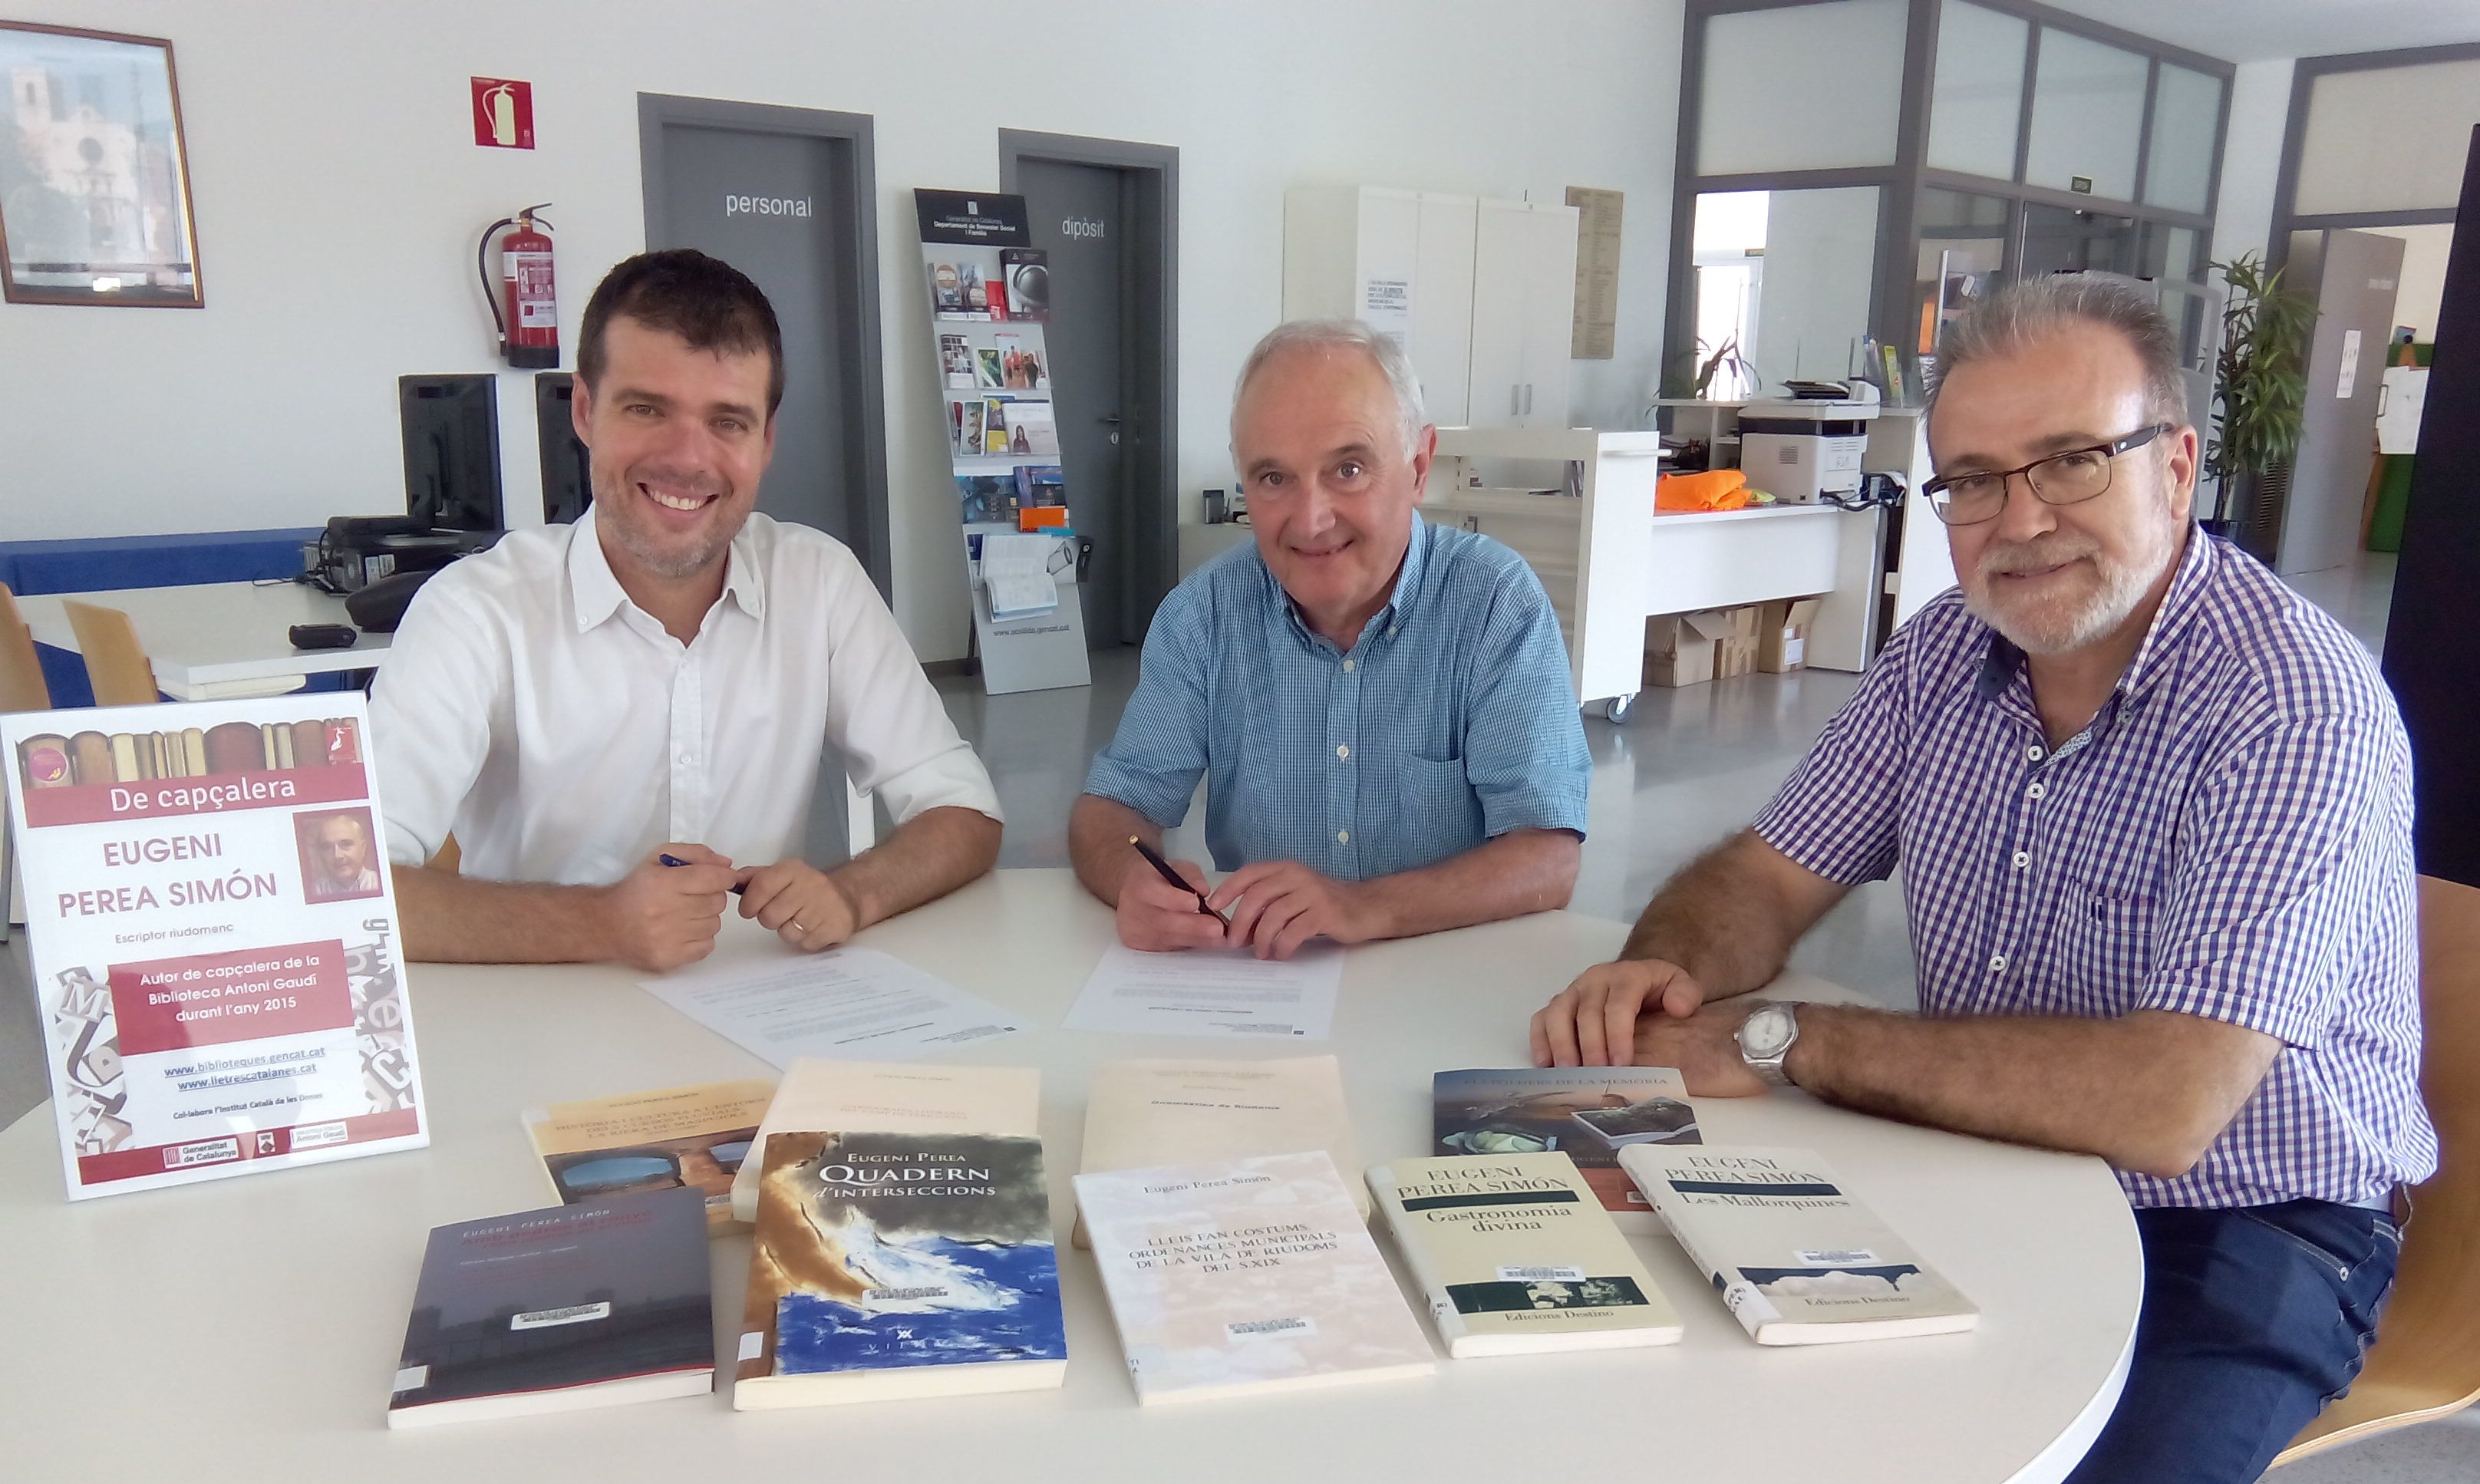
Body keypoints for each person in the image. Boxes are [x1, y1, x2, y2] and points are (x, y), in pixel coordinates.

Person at [1529, 275, 2433, 1484]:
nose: (2018, 521)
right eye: (1970, 481)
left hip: (2261, 1215)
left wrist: (1780, 1040)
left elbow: (2170, 1102)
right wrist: (1668, 962)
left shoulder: (2295, 709)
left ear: (2180, 461)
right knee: (1723, 1373)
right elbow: (1770, 869)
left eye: (2070, 461)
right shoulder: (1946, 655)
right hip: (1990, 1161)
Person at [371, 251, 1000, 969]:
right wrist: (601, 924)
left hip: (759, 1010)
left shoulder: (817, 580)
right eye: (647, 409)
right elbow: (348, 895)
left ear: (765, 441)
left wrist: (853, 894)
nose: (688, 459)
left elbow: (965, 812)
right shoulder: (475, 612)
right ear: (584, 410)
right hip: (540, 1021)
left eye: (728, 422)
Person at [1070, 319, 1590, 959]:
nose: (1311, 520)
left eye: (1348, 468)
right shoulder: (1205, 615)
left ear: (1419, 467)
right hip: (1267, 988)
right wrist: (1133, 882)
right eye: (1273, 478)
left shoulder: (1493, 605)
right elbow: (1112, 810)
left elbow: (1548, 856)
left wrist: (1362, 906)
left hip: (1444, 973)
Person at [304, 812, 381, 899]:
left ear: (363, 848)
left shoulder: (382, 884)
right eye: (327, 847)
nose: (337, 855)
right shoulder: (312, 892)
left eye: (346, 844)